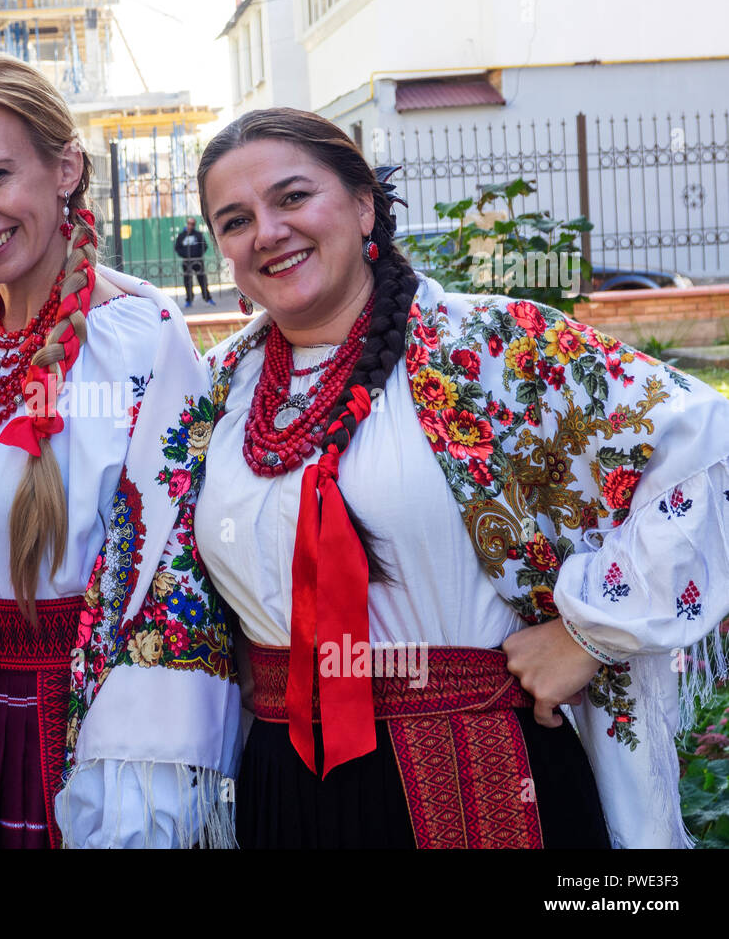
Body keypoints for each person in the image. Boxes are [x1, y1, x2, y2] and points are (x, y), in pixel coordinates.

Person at [194, 106, 729, 849]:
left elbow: (706, 446)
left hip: (478, 772)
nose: (268, 232)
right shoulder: (216, 393)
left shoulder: (491, 347)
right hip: (288, 788)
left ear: (362, 203)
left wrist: (588, 634)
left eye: (292, 197)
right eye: (235, 219)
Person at [0, 50, 240, 849]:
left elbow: (173, 571)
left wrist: (132, 801)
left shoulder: (142, 333)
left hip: (95, 739)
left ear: (65, 169)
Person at [174, 216, 213, 307]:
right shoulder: (181, 236)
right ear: (186, 224)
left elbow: (204, 246)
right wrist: (185, 255)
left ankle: (208, 298)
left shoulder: (198, 235)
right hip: (186, 262)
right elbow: (177, 248)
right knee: (187, 281)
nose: (190, 225)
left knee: (202, 280)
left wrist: (197, 254)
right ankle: (189, 300)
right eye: (189, 223)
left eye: (192, 224)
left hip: (198, 261)